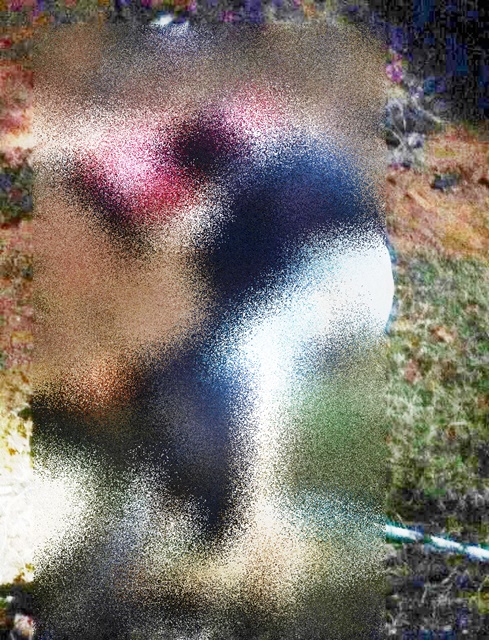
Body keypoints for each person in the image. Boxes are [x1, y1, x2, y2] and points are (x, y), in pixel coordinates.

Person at [31, 21, 394, 639]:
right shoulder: (155, 158)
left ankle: (249, 539)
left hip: (339, 267)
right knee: (198, 374)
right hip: (273, 283)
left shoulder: (238, 130)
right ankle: (196, 529)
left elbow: (183, 212)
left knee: (247, 359)